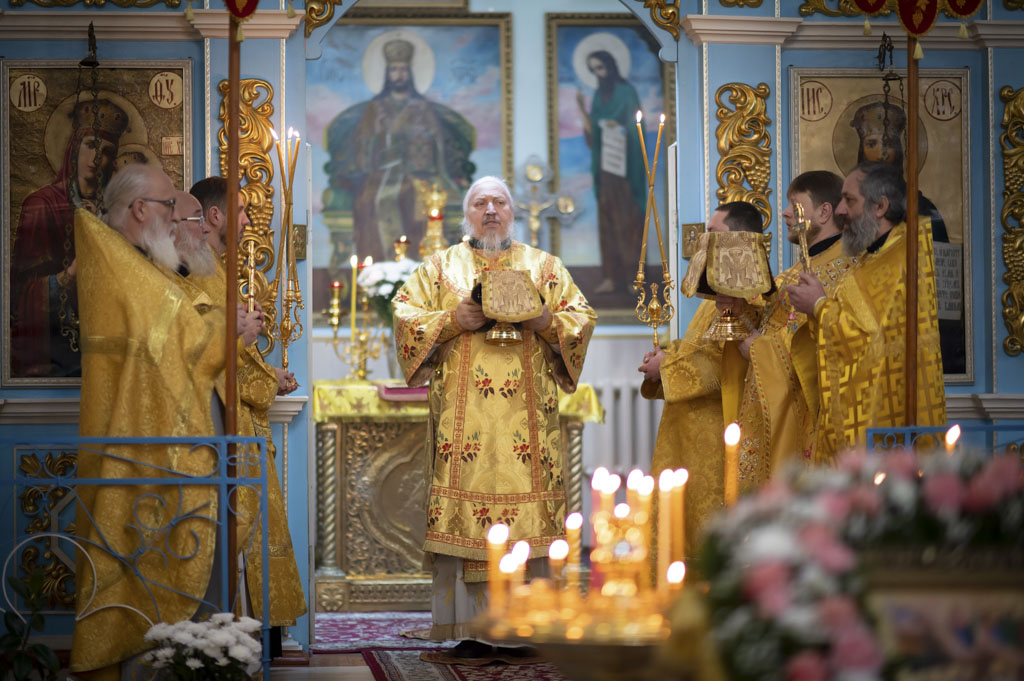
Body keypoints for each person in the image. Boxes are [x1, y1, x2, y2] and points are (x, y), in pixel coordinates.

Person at [392, 176, 596, 658]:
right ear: (466, 214)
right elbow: (404, 313)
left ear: (512, 211)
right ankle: (469, 628)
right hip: (464, 432)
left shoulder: (544, 267)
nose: (490, 210)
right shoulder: (440, 267)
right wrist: (453, 320)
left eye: (499, 202)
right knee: (465, 520)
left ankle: (526, 624)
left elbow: (582, 317)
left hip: (528, 429)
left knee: (530, 518)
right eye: (480, 203)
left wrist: (544, 321)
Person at [70, 163, 229, 680]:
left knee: (152, 553)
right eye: (168, 206)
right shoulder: (124, 266)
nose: (176, 217)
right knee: (133, 553)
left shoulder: (131, 261)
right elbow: (180, 342)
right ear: (141, 209)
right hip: (135, 439)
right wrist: (229, 331)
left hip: (150, 434)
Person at [188, 176, 307, 634]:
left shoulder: (216, 269)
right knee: (237, 534)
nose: (245, 221)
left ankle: (255, 634)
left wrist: (268, 374)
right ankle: (239, 635)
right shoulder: (199, 274)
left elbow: (231, 354)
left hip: (244, 427)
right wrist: (247, 343)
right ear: (215, 215)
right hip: (226, 428)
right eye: (239, 211)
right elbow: (206, 358)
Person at [786, 162, 947, 462]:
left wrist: (819, 305)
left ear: (880, 206)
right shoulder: (871, 258)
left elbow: (871, 340)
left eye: (849, 200)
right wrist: (817, 307)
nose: (840, 211)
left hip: (885, 423)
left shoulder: (902, 256)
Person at [638, 201, 765, 560]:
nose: (705, 241)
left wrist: (666, 367)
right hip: (685, 434)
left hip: (714, 435)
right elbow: (698, 346)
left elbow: (723, 369)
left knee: (706, 529)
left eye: (714, 234)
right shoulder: (715, 298)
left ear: (739, 240)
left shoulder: (750, 299)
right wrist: (667, 354)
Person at [735, 171, 856, 488]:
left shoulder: (847, 273)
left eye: (794, 204)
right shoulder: (790, 276)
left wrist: (757, 349)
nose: (785, 213)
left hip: (808, 423)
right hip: (772, 415)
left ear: (824, 212)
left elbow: (816, 349)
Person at [324, 38, 476, 262]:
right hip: (380, 175)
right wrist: (375, 136)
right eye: (394, 69)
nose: (399, 75)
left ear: (409, 73)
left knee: (416, 197)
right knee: (371, 201)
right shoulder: (375, 108)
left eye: (403, 69)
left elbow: (438, 144)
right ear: (388, 73)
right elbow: (362, 148)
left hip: (420, 174)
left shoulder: (422, 108)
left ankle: (418, 266)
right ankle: (377, 268)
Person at [10, 98, 129, 378]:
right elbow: (20, 292)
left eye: (107, 151)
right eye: (91, 145)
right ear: (74, 148)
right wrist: (67, 276)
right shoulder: (42, 204)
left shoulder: (118, 210)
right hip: (54, 344)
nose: (97, 157)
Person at [575, 50, 647, 295]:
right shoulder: (598, 96)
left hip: (625, 169)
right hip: (605, 170)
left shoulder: (626, 92)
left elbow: (637, 128)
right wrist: (582, 110)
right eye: (594, 69)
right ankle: (610, 276)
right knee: (606, 224)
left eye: (601, 67)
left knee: (627, 223)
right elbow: (593, 134)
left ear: (611, 65)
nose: (599, 73)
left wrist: (620, 128)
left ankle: (632, 277)